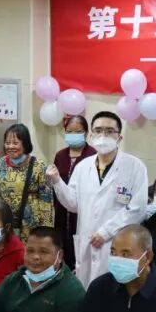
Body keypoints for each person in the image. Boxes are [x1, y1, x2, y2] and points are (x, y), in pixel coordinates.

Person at [48, 111, 149, 288]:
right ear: (91, 135)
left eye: (109, 131)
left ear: (119, 137)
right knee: (86, 290)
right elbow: (73, 204)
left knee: (112, 290)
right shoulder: (83, 167)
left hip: (116, 243)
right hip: (87, 242)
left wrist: (105, 232)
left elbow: (137, 209)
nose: (103, 135)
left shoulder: (135, 166)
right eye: (98, 130)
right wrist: (57, 182)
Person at [0, 123, 54, 242]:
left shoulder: (39, 166)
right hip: (5, 224)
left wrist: (45, 231)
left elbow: (46, 201)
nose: (10, 146)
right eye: (7, 143)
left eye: (15, 143)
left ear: (25, 143)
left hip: (32, 227)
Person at [52, 115, 95, 268]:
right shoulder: (60, 155)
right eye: (69, 132)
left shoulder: (93, 155)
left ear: (86, 133)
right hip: (61, 213)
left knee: (81, 256)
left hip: (83, 212)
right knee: (61, 249)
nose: (73, 135)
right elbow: (55, 184)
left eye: (78, 132)